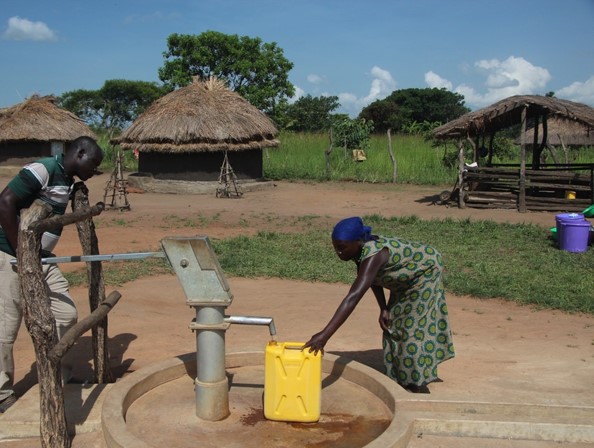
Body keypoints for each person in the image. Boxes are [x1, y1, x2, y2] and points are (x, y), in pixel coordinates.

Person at [0, 136, 103, 412]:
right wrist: (22, 252)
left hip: (42, 259)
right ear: (79, 153)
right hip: (10, 256)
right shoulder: (43, 169)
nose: (94, 172)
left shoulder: (68, 180)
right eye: (93, 164)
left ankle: (59, 373)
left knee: (66, 314)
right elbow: (5, 202)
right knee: (5, 328)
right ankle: (2, 393)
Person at [303, 216, 454, 393]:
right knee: (392, 324)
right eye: (336, 247)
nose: (339, 253)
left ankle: (417, 383)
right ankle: (399, 376)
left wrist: (324, 335)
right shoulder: (361, 252)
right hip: (404, 279)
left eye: (342, 248)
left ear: (358, 241)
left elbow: (354, 296)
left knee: (412, 329)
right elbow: (371, 278)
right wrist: (383, 307)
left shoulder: (374, 254)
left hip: (424, 273)